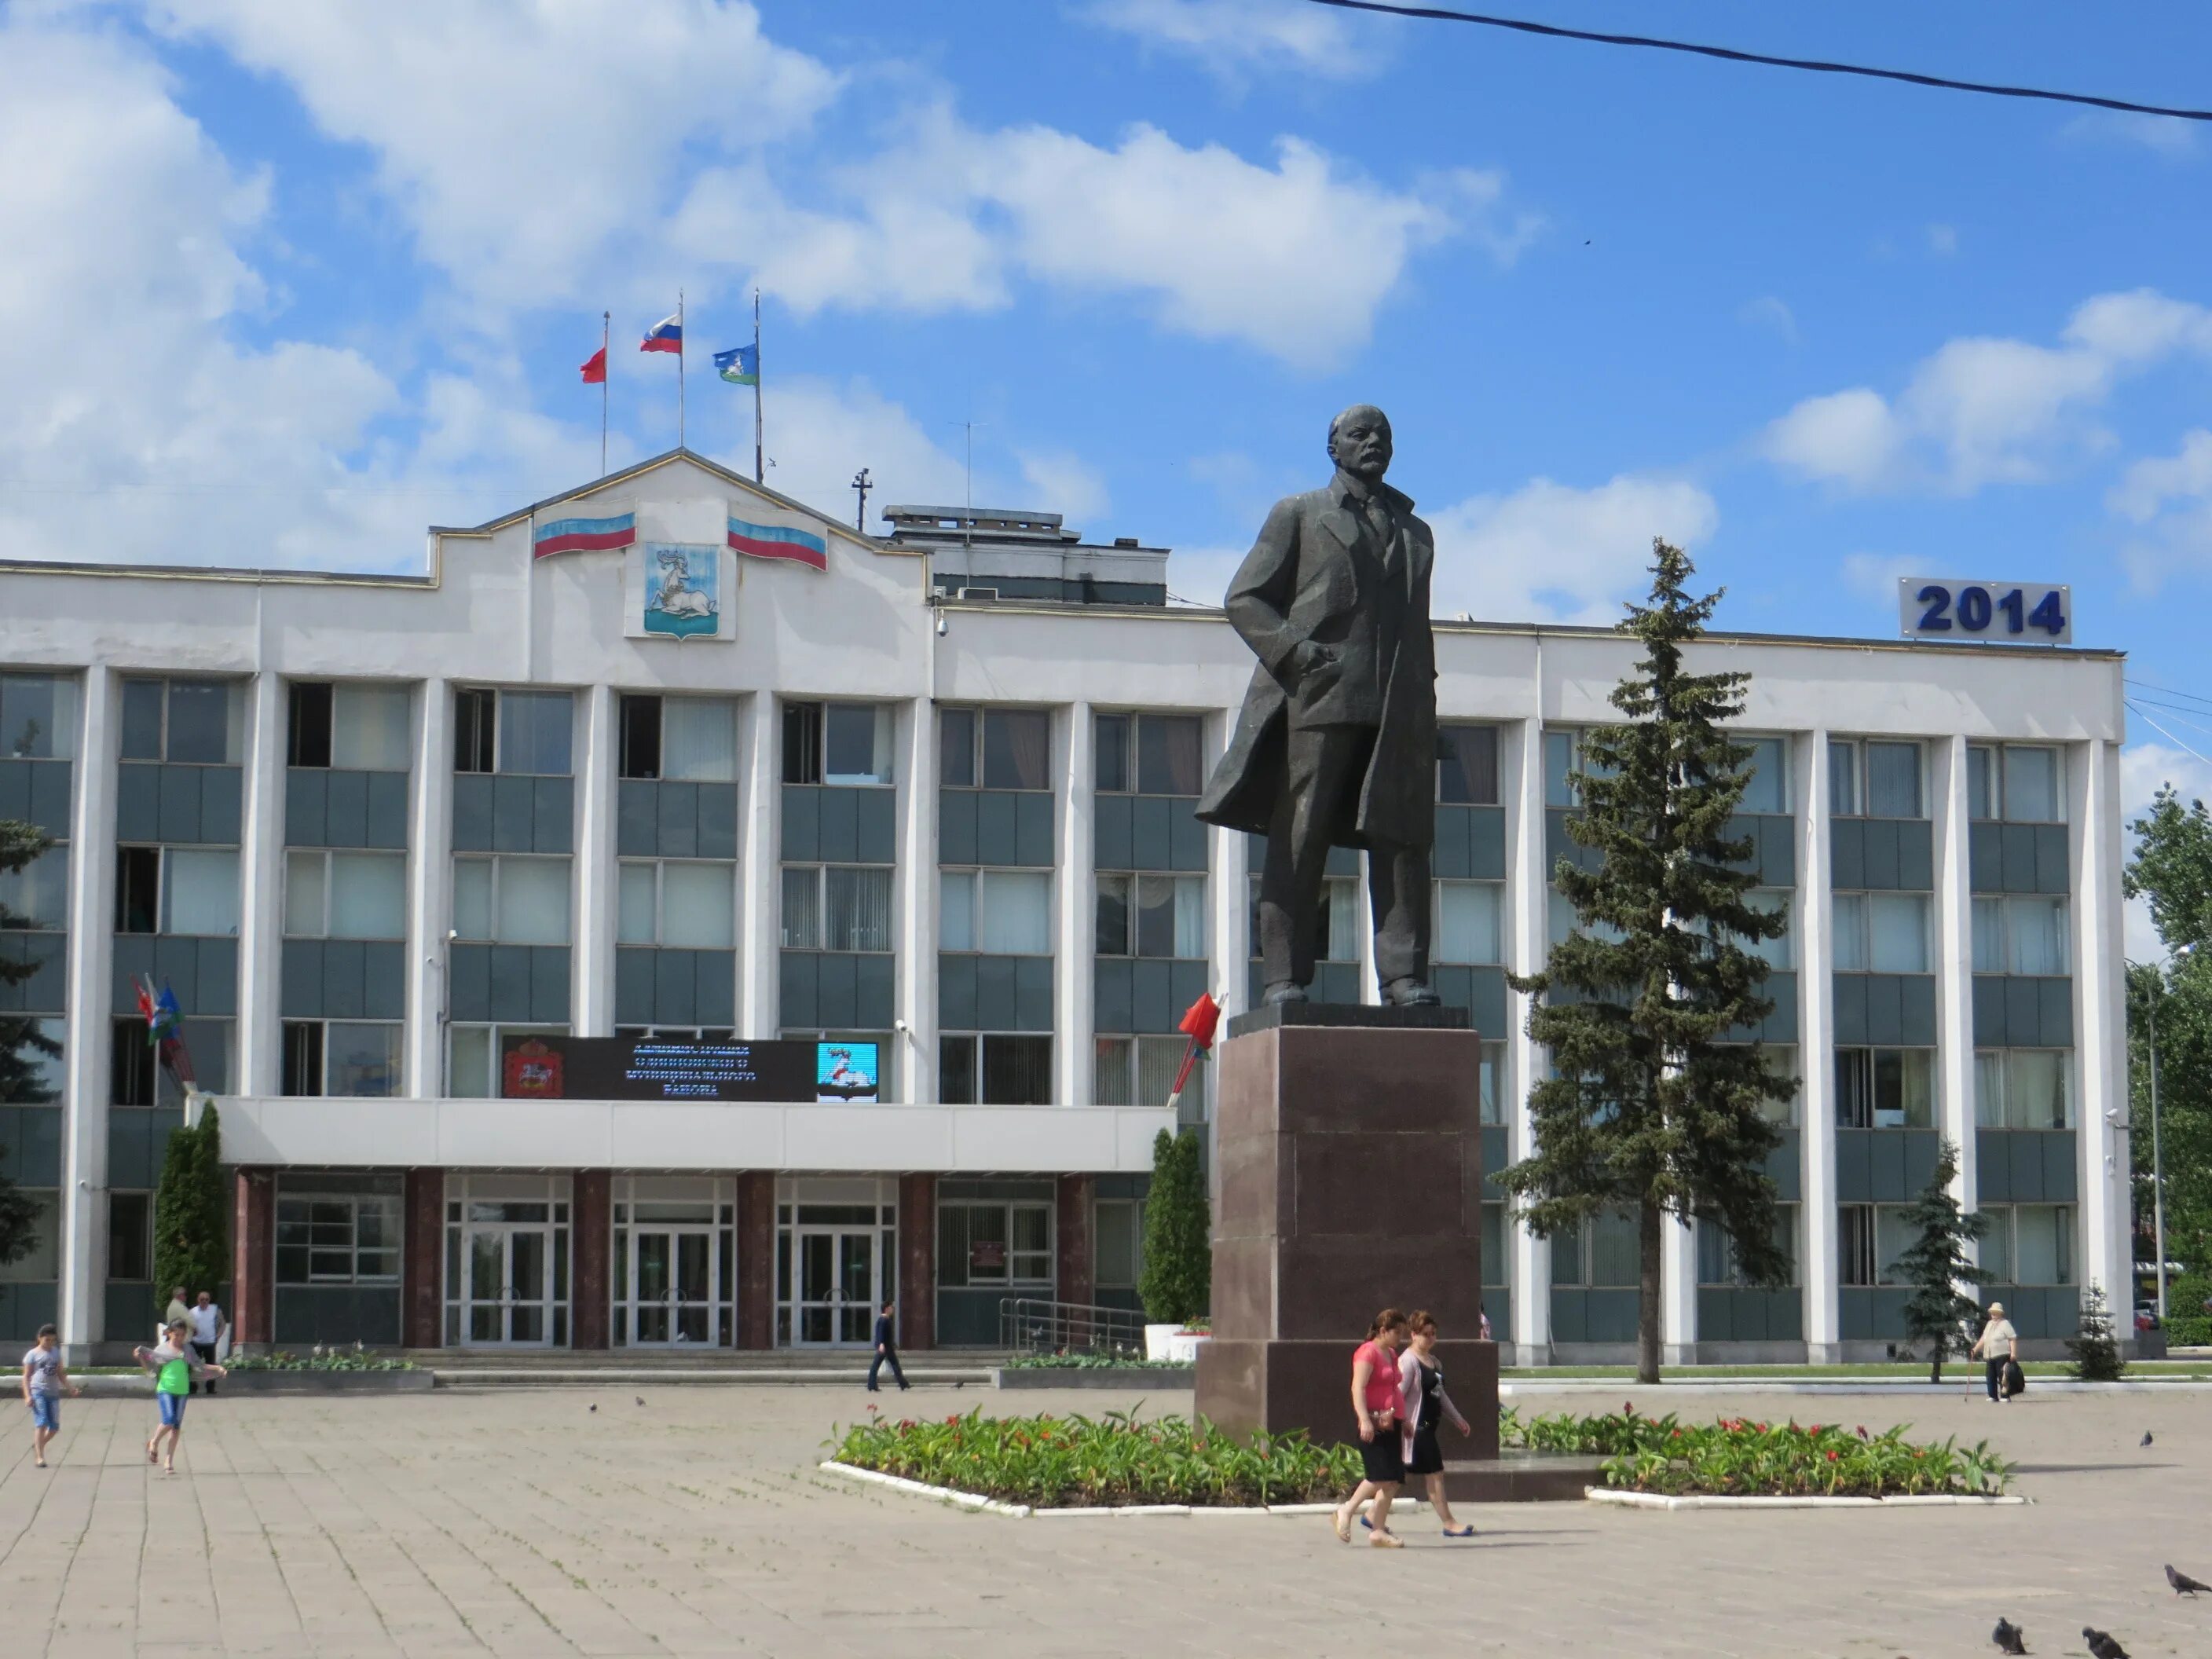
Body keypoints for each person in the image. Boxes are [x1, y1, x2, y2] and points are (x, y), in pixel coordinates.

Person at [1196, 405, 1442, 1009]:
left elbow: (1416, 625)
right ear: (1333, 448)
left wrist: (1423, 702)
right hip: (1320, 698)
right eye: (1359, 434)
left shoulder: (1416, 533)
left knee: (1403, 843)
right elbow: (1244, 598)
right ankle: (1285, 978)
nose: (1374, 443)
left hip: (1395, 707)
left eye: (1383, 435)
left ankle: (1404, 978)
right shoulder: (1300, 514)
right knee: (1300, 839)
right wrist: (1297, 656)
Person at [1333, 1309, 1409, 1547]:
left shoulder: (1392, 1354)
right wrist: (1364, 1419)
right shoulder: (1367, 1352)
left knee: (1394, 1480)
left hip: (1391, 1422)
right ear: (1383, 1330)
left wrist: (1403, 1418)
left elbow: (1393, 1388)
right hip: (1373, 1423)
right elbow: (1358, 1388)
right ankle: (1347, 1509)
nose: (1400, 1337)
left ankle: (1377, 1530)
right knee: (1379, 1476)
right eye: (1397, 1332)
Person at [1395, 1311, 1477, 1537]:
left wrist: (1458, 1419)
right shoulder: (1409, 1361)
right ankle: (1449, 1523)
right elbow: (1398, 1395)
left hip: (1429, 1426)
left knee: (1395, 1478)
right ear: (1413, 1335)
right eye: (1425, 1334)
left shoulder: (1434, 1362)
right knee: (1435, 1474)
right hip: (1416, 1429)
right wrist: (1401, 1421)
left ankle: (1369, 1515)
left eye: (1433, 1334)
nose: (1430, 1339)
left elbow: (1440, 1395)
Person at [134, 1319, 224, 1473]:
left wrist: (218, 1368)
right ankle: (154, 1442)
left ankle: (169, 1461)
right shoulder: (162, 1350)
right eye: (176, 1334)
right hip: (166, 1389)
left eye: (182, 1335)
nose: (179, 1338)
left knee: (176, 1427)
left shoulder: (188, 1350)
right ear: (169, 1333)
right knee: (169, 1420)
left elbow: (200, 1365)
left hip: (182, 1391)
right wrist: (139, 1357)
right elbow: (150, 1368)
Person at [22, 1324, 82, 1470]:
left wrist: (70, 1388)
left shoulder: (56, 1353)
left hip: (53, 1393)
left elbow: (60, 1373)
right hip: (38, 1392)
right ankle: (40, 1457)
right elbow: (26, 1376)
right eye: (47, 1340)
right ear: (40, 1338)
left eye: (52, 1340)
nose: (49, 1343)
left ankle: (38, 1444)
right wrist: (27, 1396)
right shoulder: (33, 1354)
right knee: (41, 1423)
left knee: (54, 1427)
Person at [1970, 1301, 2019, 1404]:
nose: (1994, 1315)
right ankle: (1992, 1396)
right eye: (1992, 1313)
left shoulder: (2005, 1324)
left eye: (1996, 1313)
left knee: (2003, 1376)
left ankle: (2005, 1396)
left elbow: (2012, 1339)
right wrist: (1975, 1349)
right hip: (1989, 1354)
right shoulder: (1989, 1324)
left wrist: (2013, 1353)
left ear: (2001, 1313)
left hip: (2002, 1354)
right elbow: (1984, 1338)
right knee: (1990, 1376)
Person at [187, 1291, 228, 1395]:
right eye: (202, 1299)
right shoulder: (193, 1311)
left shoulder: (215, 1310)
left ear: (209, 1300)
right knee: (193, 1366)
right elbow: (188, 1326)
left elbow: (222, 1324)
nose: (204, 1301)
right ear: (198, 1300)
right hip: (196, 1343)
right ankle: (193, 1388)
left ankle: (210, 1388)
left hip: (210, 1343)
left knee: (211, 1366)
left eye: (206, 1299)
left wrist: (218, 1335)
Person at [867, 1298, 908, 1393]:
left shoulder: (884, 1319)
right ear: (886, 1309)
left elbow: (887, 1334)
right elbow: (881, 1333)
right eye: (891, 1308)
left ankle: (903, 1384)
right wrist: (881, 1344)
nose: (892, 1309)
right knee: (892, 1365)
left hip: (887, 1346)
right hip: (885, 1347)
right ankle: (903, 1384)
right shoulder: (883, 1320)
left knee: (884, 1365)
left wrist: (892, 1344)